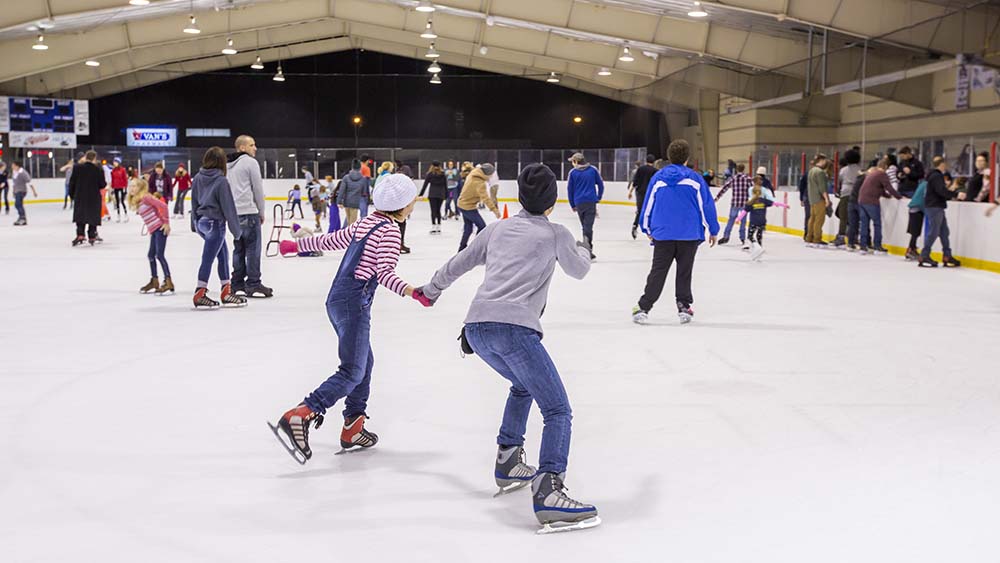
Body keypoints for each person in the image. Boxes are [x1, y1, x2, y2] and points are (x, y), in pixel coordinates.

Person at [417, 163, 599, 533]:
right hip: (514, 330)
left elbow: (457, 264)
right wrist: (583, 248)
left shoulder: (496, 229)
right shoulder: (556, 233)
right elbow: (579, 270)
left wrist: (431, 290)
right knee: (557, 409)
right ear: (551, 201)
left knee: (522, 385)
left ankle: (509, 460)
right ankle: (549, 490)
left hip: (477, 329)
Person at [271, 174, 428, 463]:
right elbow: (384, 274)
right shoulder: (390, 231)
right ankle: (302, 413)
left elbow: (331, 240)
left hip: (336, 300)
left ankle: (353, 426)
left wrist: (296, 246)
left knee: (364, 363)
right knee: (353, 371)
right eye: (412, 200)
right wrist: (413, 292)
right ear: (404, 204)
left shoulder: (366, 222)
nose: (413, 205)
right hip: (354, 303)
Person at [632, 139, 720, 325]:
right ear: (687, 158)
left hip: (663, 234)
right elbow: (706, 206)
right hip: (689, 234)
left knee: (658, 272)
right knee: (684, 272)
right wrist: (713, 229)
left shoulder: (658, 178)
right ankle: (684, 307)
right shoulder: (695, 179)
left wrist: (646, 227)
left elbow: (648, 205)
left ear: (669, 157)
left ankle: (643, 307)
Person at [191, 147, 245, 308]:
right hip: (215, 224)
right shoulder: (221, 181)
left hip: (202, 223)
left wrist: (194, 224)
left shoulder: (198, 178)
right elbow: (228, 208)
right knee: (208, 258)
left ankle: (226, 291)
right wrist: (236, 231)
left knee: (223, 255)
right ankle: (200, 292)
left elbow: (194, 202)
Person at [227, 135, 271, 298]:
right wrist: (261, 211)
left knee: (238, 249)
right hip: (249, 211)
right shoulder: (250, 162)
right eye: (252, 145)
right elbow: (257, 188)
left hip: (234, 214)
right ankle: (253, 283)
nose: (255, 148)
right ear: (242, 148)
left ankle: (236, 283)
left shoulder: (228, 165)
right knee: (253, 249)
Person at [130, 179, 174, 295]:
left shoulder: (146, 198)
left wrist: (166, 223)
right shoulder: (138, 200)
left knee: (159, 255)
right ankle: (154, 281)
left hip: (160, 228)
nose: (131, 189)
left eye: (134, 186)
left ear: (140, 188)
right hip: (154, 230)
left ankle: (168, 281)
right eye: (131, 186)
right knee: (151, 255)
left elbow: (163, 206)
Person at [919, 156, 961, 268]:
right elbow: (941, 191)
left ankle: (947, 255)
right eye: (945, 164)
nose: (946, 166)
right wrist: (956, 194)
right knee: (934, 231)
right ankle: (924, 255)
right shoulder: (937, 176)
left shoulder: (933, 176)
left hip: (936, 206)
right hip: (935, 207)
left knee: (944, 232)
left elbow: (940, 190)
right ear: (942, 164)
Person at [856, 158, 902, 254]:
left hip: (861, 200)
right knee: (877, 223)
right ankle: (877, 245)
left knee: (864, 224)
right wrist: (899, 197)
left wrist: (887, 196)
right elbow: (888, 187)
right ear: (886, 166)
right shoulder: (882, 174)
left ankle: (863, 246)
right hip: (871, 201)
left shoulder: (872, 173)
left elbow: (878, 188)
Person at [566, 152, 604, 259]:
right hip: (591, 201)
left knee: (585, 226)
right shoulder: (593, 170)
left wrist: (572, 204)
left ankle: (587, 248)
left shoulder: (573, 173)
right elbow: (601, 185)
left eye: (573, 161)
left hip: (579, 202)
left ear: (576, 161)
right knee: (588, 226)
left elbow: (570, 190)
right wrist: (598, 197)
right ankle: (588, 248)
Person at [457, 163, 500, 252]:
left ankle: (462, 249)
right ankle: (475, 248)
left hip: (462, 204)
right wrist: (495, 210)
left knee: (468, 228)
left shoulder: (473, 173)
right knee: (482, 226)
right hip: (468, 207)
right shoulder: (479, 182)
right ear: (488, 174)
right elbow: (485, 198)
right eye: (491, 174)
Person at [714, 163, 752, 248]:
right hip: (744, 203)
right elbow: (753, 189)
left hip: (735, 203)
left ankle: (726, 236)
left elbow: (724, 188)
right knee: (743, 222)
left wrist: (717, 197)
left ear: (737, 170)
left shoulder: (733, 178)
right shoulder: (748, 179)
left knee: (731, 220)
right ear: (743, 169)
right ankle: (742, 238)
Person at [67, 152, 104, 241]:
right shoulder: (97, 169)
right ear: (94, 158)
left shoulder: (77, 168)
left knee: (81, 215)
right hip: (94, 197)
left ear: (86, 157)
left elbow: (72, 182)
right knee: (93, 215)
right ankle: (92, 235)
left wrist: (72, 195)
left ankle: (80, 234)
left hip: (80, 196)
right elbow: (102, 184)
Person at [833, 150, 862, 247]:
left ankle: (841, 236)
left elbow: (840, 181)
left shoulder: (844, 170)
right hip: (857, 193)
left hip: (845, 193)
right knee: (855, 217)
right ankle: (854, 236)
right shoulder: (860, 170)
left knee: (843, 216)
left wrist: (838, 191)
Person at [628, 154, 657, 240]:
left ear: (646, 160)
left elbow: (635, 181)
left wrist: (630, 191)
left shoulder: (640, 169)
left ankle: (635, 225)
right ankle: (652, 231)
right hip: (650, 194)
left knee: (640, 211)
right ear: (653, 162)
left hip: (640, 192)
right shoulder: (655, 171)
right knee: (651, 211)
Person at [744, 178, 774, 261]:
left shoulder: (751, 201)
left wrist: (738, 218)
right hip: (762, 221)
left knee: (750, 236)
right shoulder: (764, 200)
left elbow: (745, 210)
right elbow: (772, 202)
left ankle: (757, 248)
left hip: (754, 221)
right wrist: (784, 205)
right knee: (759, 235)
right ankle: (759, 248)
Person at [805, 154, 830, 247]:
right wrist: (827, 199)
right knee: (819, 219)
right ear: (822, 160)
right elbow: (822, 188)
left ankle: (809, 237)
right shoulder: (820, 172)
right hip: (819, 199)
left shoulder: (811, 170)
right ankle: (817, 238)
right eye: (825, 161)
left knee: (812, 219)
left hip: (812, 198)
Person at [338, 159, 371, 226]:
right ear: (360, 168)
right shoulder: (363, 179)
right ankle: (351, 232)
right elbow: (364, 192)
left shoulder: (346, 178)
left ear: (352, 167)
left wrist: (339, 201)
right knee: (352, 222)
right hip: (355, 202)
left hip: (346, 201)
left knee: (348, 220)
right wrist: (368, 200)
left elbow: (342, 190)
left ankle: (348, 231)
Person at [420, 161, 447, 234]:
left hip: (432, 194)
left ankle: (434, 226)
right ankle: (439, 226)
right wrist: (446, 195)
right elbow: (445, 185)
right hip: (440, 194)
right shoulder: (443, 174)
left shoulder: (430, 174)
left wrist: (421, 194)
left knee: (433, 211)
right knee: (438, 210)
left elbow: (425, 184)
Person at [10, 161, 38, 227]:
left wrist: (34, 191)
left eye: (13, 165)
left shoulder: (23, 172)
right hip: (17, 191)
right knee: (18, 204)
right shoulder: (14, 172)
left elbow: (29, 182)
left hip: (22, 190)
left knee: (18, 204)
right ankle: (21, 217)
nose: (12, 166)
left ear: (17, 166)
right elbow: (14, 183)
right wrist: (13, 192)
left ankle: (22, 218)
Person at [110, 158, 129, 222]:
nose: (114, 163)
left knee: (122, 201)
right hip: (116, 187)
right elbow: (112, 179)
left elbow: (125, 179)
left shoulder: (122, 170)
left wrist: (125, 187)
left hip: (122, 186)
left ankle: (126, 214)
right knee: (117, 201)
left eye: (116, 162)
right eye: (114, 162)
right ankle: (118, 215)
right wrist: (112, 187)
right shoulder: (113, 171)